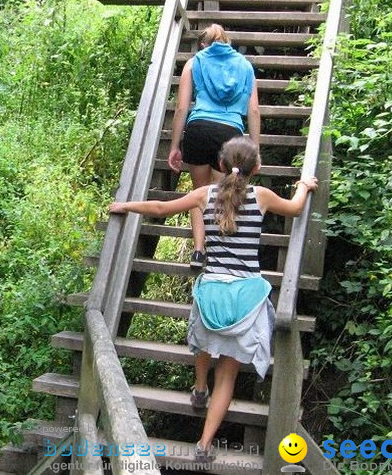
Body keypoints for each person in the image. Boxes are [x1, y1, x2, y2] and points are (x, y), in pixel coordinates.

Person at [110, 136, 319, 461]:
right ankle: (205, 445)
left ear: (220, 165)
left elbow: (161, 208)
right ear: (257, 168)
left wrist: (126, 206)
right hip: (245, 300)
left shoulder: (204, 195)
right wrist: (304, 185)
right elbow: (294, 208)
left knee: (205, 341)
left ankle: (198, 388)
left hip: (212, 293)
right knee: (228, 375)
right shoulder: (261, 196)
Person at [168, 24, 260, 268]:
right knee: (222, 194)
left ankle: (199, 251)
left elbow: (181, 108)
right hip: (229, 135)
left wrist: (175, 145)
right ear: (227, 41)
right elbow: (253, 110)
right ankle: (221, 250)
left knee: (199, 194)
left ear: (204, 44)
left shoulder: (194, 62)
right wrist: (254, 151)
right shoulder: (244, 66)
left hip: (198, 130)